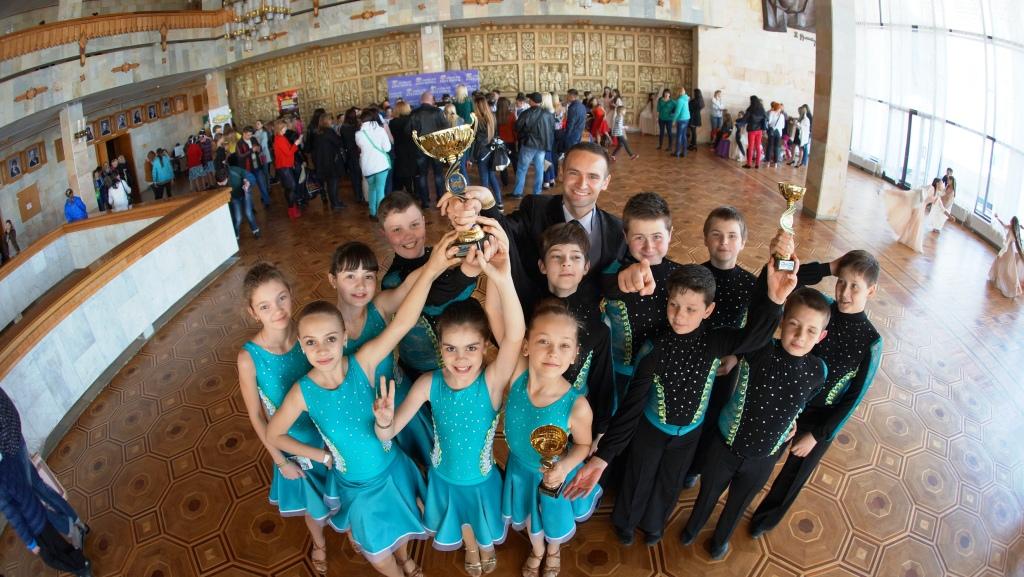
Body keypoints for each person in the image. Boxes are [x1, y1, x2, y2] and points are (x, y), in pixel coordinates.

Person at [265, 234, 459, 577]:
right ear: (301, 346)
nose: (322, 349)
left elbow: (402, 323)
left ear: (343, 339)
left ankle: (406, 558)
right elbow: (274, 433)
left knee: (400, 518)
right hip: (354, 483)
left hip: (390, 460)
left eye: (330, 340)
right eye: (311, 343)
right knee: (376, 549)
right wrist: (320, 456)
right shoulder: (303, 391)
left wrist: (432, 270)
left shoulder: (362, 361)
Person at [567, 259, 795, 547]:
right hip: (650, 432)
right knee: (639, 477)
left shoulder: (716, 342)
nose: (679, 316)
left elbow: (755, 337)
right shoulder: (653, 351)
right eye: (674, 305)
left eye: (691, 309)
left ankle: (654, 524)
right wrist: (603, 457)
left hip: (688, 435)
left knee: (670, 482)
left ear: (708, 310)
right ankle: (625, 522)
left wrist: (775, 301)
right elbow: (630, 409)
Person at [375, 228, 521, 577]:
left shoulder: (492, 381)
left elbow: (515, 336)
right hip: (444, 478)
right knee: (462, 521)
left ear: (485, 347)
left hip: (481, 478)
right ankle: (471, 547)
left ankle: (484, 546)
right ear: (439, 348)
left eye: (471, 348)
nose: (461, 358)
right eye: (451, 348)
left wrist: (503, 277)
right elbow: (388, 433)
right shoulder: (428, 383)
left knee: (481, 519)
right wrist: (383, 421)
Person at [680, 286, 829, 560]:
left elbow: (806, 400)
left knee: (738, 504)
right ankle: (692, 528)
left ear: (821, 336)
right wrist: (777, 294)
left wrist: (793, 420)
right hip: (725, 446)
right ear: (781, 322)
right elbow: (757, 323)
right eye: (794, 324)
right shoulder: (759, 348)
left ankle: (720, 541)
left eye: (811, 331)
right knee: (708, 494)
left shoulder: (818, 371)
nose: (799, 336)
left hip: (765, 457)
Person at [750, 243, 884, 538]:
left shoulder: (871, 341)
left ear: (871, 291)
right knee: (763, 457)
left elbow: (852, 399)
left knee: (793, 474)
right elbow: (783, 273)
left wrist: (816, 435)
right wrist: (829, 267)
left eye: (855, 287)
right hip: (788, 399)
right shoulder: (821, 309)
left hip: (822, 419)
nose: (845, 292)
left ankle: (765, 520)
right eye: (841, 282)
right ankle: (742, 495)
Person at [236, 264, 330, 574]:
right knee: (312, 503)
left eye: (281, 298)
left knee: (341, 485)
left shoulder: (307, 332)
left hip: (328, 431)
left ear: (290, 294)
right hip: (292, 443)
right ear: (253, 312)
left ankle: (350, 525)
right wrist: (280, 461)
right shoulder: (248, 358)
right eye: (264, 306)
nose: (276, 310)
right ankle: (319, 543)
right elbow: (256, 415)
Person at [502, 300, 600, 577]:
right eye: (543, 341)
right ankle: (537, 550)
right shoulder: (516, 375)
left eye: (564, 345)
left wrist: (565, 467)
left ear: (575, 354)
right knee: (530, 517)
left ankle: (553, 550)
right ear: (525, 345)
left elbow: (583, 445)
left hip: (555, 475)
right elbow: (500, 317)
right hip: (520, 469)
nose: (553, 352)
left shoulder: (577, 406)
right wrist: (500, 278)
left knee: (554, 518)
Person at [458, 142, 626, 295]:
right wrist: (486, 203)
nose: (582, 184)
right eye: (574, 173)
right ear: (561, 173)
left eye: (593, 176)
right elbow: (503, 231)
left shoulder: (618, 231)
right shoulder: (535, 208)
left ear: (605, 182)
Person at [378, 191, 483, 387]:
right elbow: (434, 301)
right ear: (384, 234)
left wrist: (466, 222)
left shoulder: (434, 253)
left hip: (457, 365)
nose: (408, 235)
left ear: (424, 221)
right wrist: (469, 272)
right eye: (397, 230)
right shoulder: (392, 281)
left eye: (414, 225)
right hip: (418, 375)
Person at [600, 193, 681, 410]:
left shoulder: (681, 276)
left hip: (664, 376)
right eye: (639, 238)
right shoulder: (612, 273)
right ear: (625, 236)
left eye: (657, 237)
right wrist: (626, 277)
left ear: (670, 234)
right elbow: (609, 284)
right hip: (620, 378)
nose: (649, 247)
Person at [0, 388, 93, 576]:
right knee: (38, 490)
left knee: (31, 506)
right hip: (13, 445)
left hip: (9, 455)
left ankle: (72, 528)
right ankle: (77, 525)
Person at [409, 91, 450, 208]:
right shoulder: (437, 111)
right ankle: (441, 198)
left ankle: (425, 202)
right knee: (438, 174)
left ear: (421, 100)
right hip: (436, 147)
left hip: (420, 148)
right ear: (431, 100)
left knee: (422, 175)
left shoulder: (414, 113)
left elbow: (408, 131)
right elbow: (446, 128)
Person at [513, 92, 555, 198]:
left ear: (531, 101)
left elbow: (517, 127)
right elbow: (551, 129)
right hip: (542, 146)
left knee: (522, 168)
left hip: (529, 144)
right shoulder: (548, 114)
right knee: (539, 168)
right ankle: (537, 192)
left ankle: (518, 192)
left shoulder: (526, 113)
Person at [356, 109, 393, 220]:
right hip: (381, 164)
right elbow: (387, 148)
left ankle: (372, 212)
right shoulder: (380, 130)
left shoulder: (358, 134)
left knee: (372, 189)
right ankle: (380, 214)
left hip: (367, 166)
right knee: (380, 189)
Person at [470, 95, 503, 209]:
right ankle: (499, 203)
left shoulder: (476, 120)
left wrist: (471, 157)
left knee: (484, 180)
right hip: (492, 150)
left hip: (482, 152)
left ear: (477, 106)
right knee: (492, 177)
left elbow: (474, 141)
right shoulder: (492, 116)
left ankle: (487, 206)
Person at [216, 163, 261, 240]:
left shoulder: (233, 171)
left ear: (226, 178)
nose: (220, 184)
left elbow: (245, 173)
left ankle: (255, 230)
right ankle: (236, 235)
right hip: (235, 198)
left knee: (248, 213)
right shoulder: (220, 181)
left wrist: (246, 182)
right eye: (218, 183)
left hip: (245, 192)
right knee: (238, 218)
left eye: (221, 182)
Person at [884, 181, 929, 253]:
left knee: (914, 224)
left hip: (919, 206)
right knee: (902, 194)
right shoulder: (931, 188)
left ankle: (908, 239)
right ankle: (886, 191)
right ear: (937, 183)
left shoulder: (937, 192)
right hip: (917, 202)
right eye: (941, 183)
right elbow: (923, 194)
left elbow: (927, 200)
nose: (943, 184)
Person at [274, 119, 303, 219]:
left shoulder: (280, 137)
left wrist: (295, 144)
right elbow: (289, 152)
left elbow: (288, 150)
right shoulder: (280, 139)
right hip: (284, 166)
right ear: (280, 128)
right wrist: (296, 144)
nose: (286, 128)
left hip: (285, 165)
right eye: (285, 127)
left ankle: (292, 208)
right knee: (291, 187)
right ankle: (292, 210)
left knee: (289, 188)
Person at [989, 215, 1024, 298]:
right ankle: (998, 279)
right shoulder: (1014, 228)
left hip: (1008, 251)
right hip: (1010, 250)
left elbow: (1007, 244)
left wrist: (1001, 253)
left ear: (1013, 223)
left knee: (1007, 268)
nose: (1010, 222)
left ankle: (1011, 285)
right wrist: (998, 218)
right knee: (1003, 265)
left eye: (1011, 221)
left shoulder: (1012, 232)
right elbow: (1004, 224)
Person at [237, 126, 272, 208]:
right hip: (247, 168)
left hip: (257, 166)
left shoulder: (253, 139)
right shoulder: (239, 143)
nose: (250, 136)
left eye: (251, 135)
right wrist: (251, 150)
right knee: (249, 189)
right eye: (248, 135)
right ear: (244, 133)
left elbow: (260, 148)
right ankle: (251, 207)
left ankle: (267, 202)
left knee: (262, 185)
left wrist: (259, 149)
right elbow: (240, 156)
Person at [389, 101, 417, 195]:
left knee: (402, 171)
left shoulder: (392, 122)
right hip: (412, 149)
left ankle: (404, 191)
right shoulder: (411, 120)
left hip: (399, 149)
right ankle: (413, 192)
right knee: (413, 171)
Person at [743, 96, 767, 169]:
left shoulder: (750, 109)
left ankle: (749, 164)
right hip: (759, 130)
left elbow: (744, 119)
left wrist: (738, 121)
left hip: (752, 130)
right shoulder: (762, 109)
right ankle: (757, 164)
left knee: (750, 147)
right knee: (758, 147)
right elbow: (766, 118)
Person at [765, 102, 787, 168]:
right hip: (779, 132)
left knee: (770, 146)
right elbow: (783, 126)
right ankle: (776, 163)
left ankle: (768, 162)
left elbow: (769, 122)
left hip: (772, 131)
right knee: (777, 147)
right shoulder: (782, 115)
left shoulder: (772, 113)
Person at [671, 88, 690, 158]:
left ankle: (677, 152)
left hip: (681, 119)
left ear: (679, 92)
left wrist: (674, 120)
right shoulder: (686, 98)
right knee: (684, 136)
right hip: (686, 118)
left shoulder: (680, 100)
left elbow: (677, 112)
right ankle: (684, 152)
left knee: (679, 136)